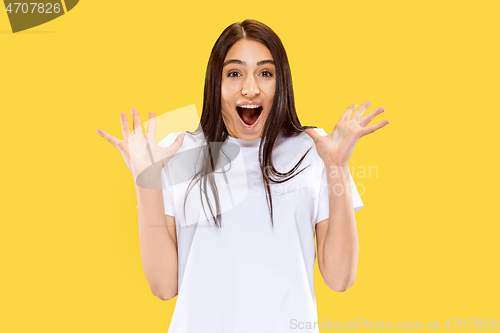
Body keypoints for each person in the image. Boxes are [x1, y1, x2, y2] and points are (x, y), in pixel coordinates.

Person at [95, 19, 389, 333]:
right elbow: (163, 286)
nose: (251, 88)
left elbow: (340, 278)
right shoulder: (179, 151)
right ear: (215, 84)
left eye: (265, 73)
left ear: (281, 83)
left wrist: (337, 168)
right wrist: (145, 178)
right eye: (234, 73)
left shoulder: (314, 150)